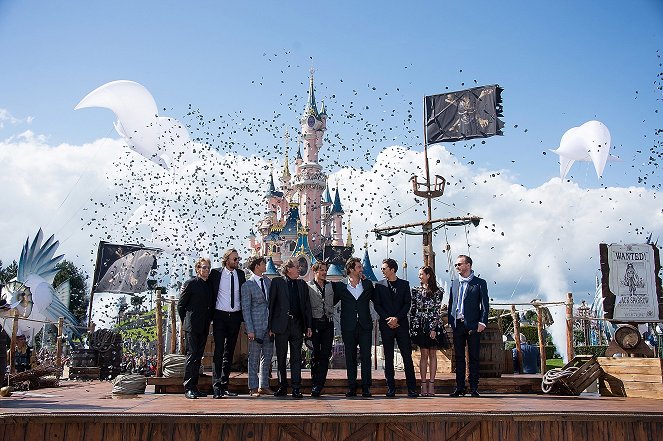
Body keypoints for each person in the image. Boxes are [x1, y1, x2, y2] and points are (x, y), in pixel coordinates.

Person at [268, 258, 312, 399]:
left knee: (296, 358)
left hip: (297, 325)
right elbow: (272, 305)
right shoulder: (277, 282)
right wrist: (270, 326)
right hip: (281, 325)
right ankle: (282, 386)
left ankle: (296, 388)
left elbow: (307, 307)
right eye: (296, 267)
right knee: (281, 357)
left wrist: (308, 326)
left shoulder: (302, 284)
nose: (299, 269)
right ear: (288, 269)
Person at [374, 258, 418, 398]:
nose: (382, 270)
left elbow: (407, 304)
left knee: (407, 356)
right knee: (388, 357)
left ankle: (412, 388)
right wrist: (389, 319)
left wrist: (397, 318)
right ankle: (390, 388)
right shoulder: (379, 285)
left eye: (384, 268)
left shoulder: (404, 285)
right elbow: (377, 305)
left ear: (392, 269)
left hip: (401, 325)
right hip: (386, 325)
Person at [332, 257, 375, 398]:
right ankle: (352, 387)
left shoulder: (368, 285)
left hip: (364, 326)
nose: (361, 269)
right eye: (358, 267)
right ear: (351, 269)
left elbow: (378, 301)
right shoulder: (341, 286)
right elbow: (330, 301)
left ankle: (366, 387)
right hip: (348, 326)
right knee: (350, 357)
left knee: (366, 356)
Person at [448, 254, 489, 397]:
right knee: (459, 357)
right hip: (457, 325)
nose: (457, 267)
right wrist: (450, 321)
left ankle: (473, 388)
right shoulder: (454, 283)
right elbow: (451, 303)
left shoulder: (479, 283)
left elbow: (485, 305)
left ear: (468, 265)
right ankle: (459, 387)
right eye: (456, 265)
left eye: (460, 264)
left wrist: (482, 322)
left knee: (474, 357)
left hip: (473, 325)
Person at [209, 248, 246, 398]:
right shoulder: (216, 273)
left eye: (238, 259)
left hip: (235, 316)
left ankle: (224, 385)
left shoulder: (240, 274)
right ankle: (216, 386)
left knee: (229, 352)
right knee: (218, 351)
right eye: (234, 259)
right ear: (227, 260)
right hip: (219, 316)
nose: (237, 261)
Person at [178, 257, 215, 399]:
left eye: (208, 268)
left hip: (204, 325)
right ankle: (188, 387)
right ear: (198, 269)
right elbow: (181, 306)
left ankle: (195, 386)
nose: (206, 270)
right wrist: (186, 321)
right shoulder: (190, 283)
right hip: (192, 326)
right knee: (191, 356)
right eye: (204, 267)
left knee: (198, 357)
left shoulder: (209, 285)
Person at [241, 255, 274, 397]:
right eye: (263, 263)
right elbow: (246, 309)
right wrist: (250, 329)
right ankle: (253, 387)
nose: (265, 265)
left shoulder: (268, 282)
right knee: (254, 358)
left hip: (268, 326)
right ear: (256, 266)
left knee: (267, 356)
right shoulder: (247, 285)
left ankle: (264, 385)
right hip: (255, 326)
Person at [410, 266, 445, 397]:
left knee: (432, 354)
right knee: (423, 354)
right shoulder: (415, 290)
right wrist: (413, 327)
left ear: (428, 275)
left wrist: (434, 328)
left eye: (421, 274)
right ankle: (423, 384)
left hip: (433, 322)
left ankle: (432, 384)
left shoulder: (438, 291)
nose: (419, 276)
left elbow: (437, 310)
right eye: (419, 274)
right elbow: (413, 310)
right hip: (420, 323)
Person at [305, 261, 335, 397]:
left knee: (325, 355)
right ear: (315, 271)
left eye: (325, 270)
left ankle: (319, 384)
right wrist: (308, 326)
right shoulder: (308, 286)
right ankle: (314, 382)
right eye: (321, 270)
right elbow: (306, 308)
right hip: (315, 324)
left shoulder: (331, 286)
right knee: (315, 355)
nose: (324, 272)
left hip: (328, 324)